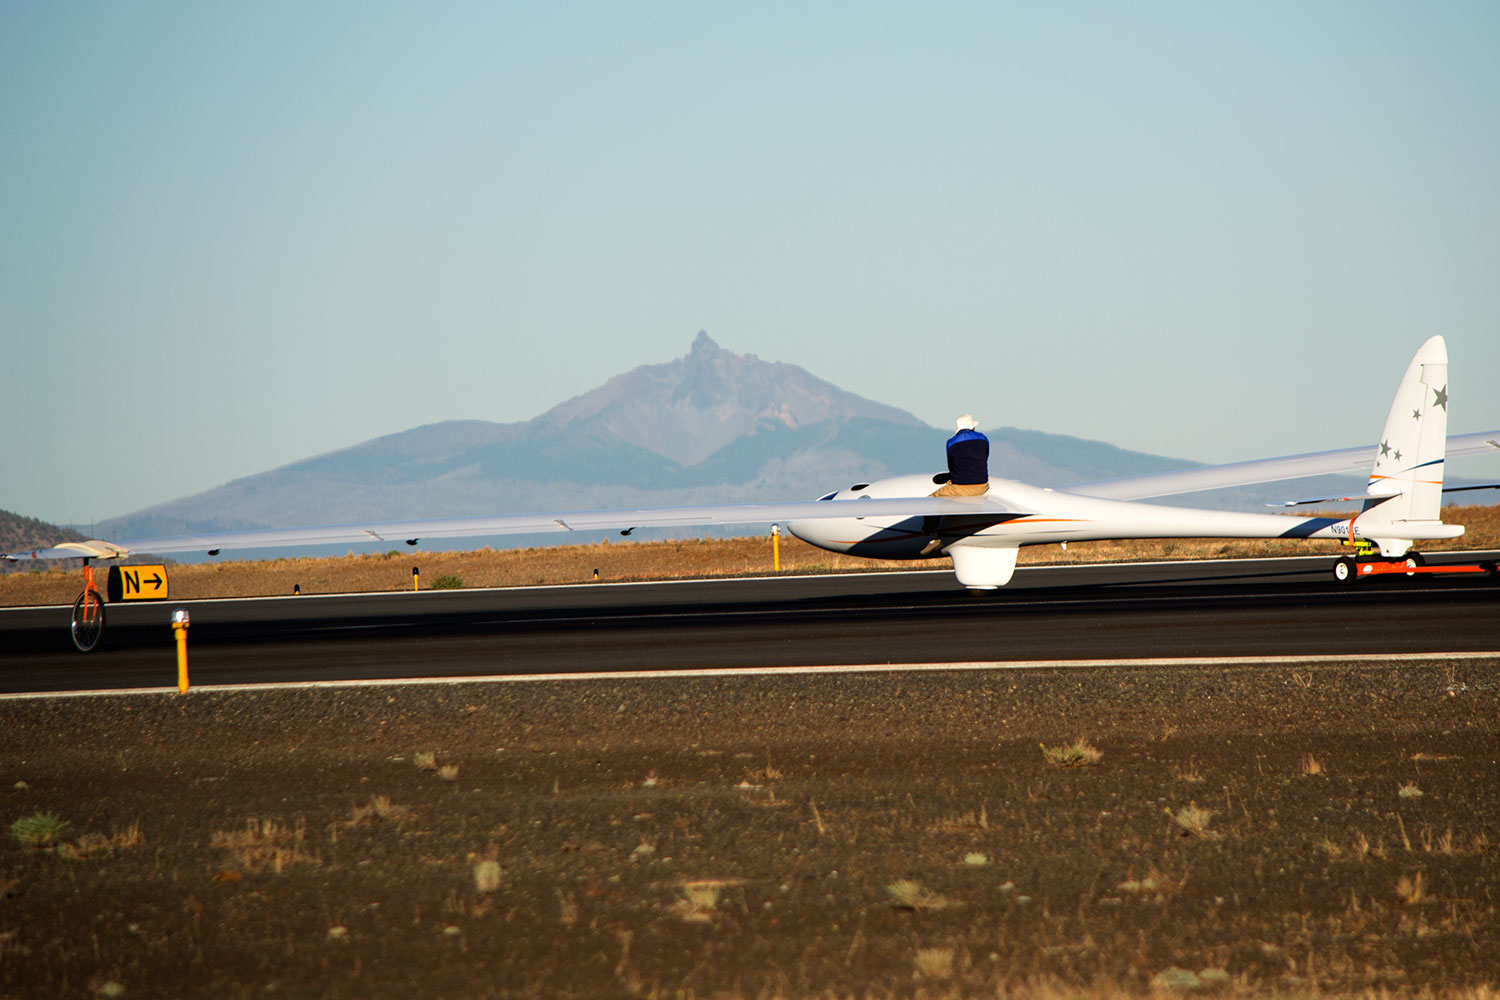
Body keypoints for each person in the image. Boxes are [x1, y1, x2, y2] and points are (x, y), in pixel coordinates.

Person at [932, 414, 989, 496]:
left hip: (961, 487)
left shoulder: (951, 443)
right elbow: (985, 457)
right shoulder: (983, 438)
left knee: (932, 499)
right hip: (983, 485)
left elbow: (951, 466)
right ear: (973, 427)